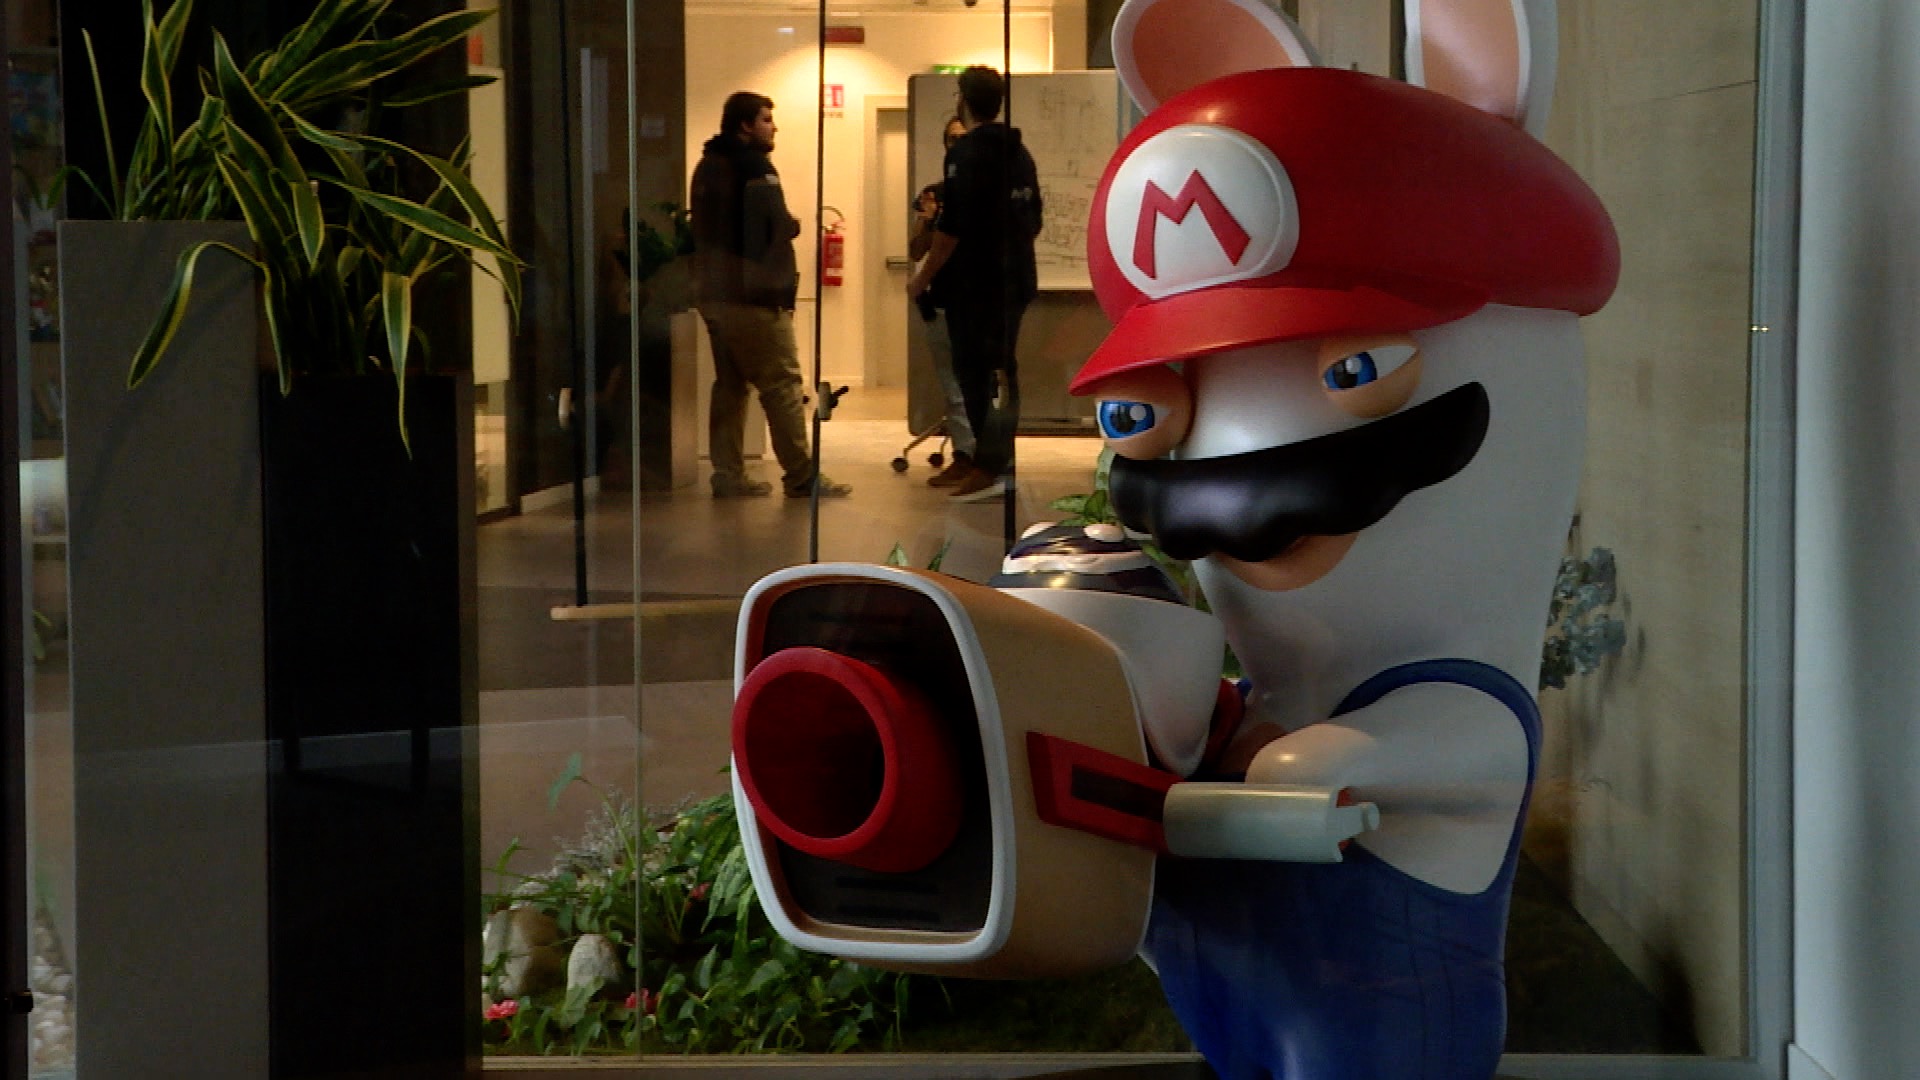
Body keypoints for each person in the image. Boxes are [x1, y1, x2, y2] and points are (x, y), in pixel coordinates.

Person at [689, 91, 850, 498]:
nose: (773, 127)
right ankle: (801, 475)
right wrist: (791, 225)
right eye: (765, 119)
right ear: (745, 125)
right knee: (782, 384)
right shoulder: (755, 167)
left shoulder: (707, 166)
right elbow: (774, 226)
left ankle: (728, 472)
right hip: (755, 295)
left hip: (714, 292)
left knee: (730, 385)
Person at [907, 67, 1042, 501]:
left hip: (976, 286)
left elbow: (952, 229)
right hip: (1015, 280)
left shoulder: (966, 154)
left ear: (963, 100)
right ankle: (1001, 462)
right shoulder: (1019, 153)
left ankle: (988, 466)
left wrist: (923, 277)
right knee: (1002, 372)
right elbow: (1033, 221)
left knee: (974, 375)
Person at [908, 115, 978, 487]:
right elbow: (916, 250)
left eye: (964, 138)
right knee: (952, 386)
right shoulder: (934, 193)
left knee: (979, 384)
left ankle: (983, 457)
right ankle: (964, 455)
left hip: (978, 301)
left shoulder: (985, 193)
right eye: (952, 139)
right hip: (943, 302)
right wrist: (927, 220)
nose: (958, 145)